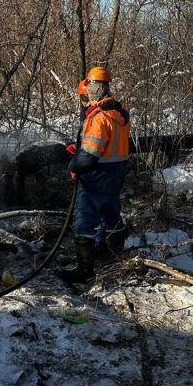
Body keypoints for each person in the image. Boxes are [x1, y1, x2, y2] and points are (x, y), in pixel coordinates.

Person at [58, 66, 130, 283]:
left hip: (94, 179)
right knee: (111, 216)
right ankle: (113, 256)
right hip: (115, 177)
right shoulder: (119, 114)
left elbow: (89, 155)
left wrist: (74, 165)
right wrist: (80, 150)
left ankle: (84, 271)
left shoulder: (98, 118)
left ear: (93, 88)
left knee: (83, 222)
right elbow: (106, 147)